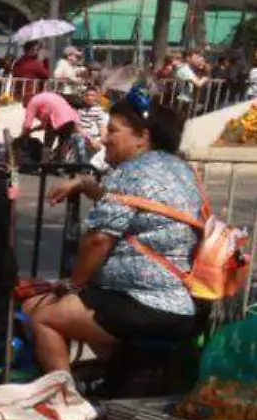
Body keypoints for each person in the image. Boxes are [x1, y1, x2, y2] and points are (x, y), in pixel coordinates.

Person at [27, 93, 199, 373]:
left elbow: (98, 240)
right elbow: (137, 206)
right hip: (182, 301)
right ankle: (121, 380)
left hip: (144, 303)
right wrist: (84, 183)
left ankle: (66, 403)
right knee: (80, 308)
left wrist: (74, 285)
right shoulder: (179, 168)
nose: (104, 138)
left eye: (113, 131)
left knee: (44, 316)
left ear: (142, 137)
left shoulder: (132, 173)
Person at [20, 86, 81, 162]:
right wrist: (33, 130)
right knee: (63, 145)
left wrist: (22, 136)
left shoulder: (32, 102)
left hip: (56, 118)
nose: (26, 109)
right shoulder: (45, 97)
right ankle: (59, 167)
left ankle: (44, 166)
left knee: (47, 145)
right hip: (71, 118)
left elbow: (27, 124)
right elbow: (43, 125)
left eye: (25, 107)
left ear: (26, 102)